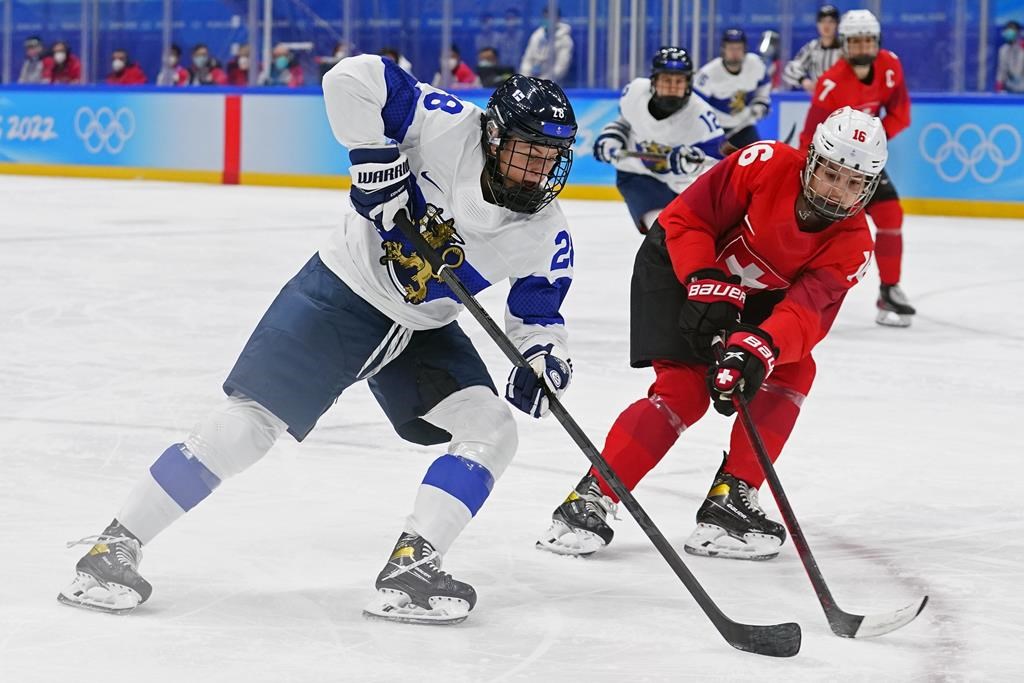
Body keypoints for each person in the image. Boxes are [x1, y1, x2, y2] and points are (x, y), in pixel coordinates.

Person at [57, 55, 579, 626]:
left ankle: (413, 565)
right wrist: (375, 158)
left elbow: (539, 311)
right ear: (494, 134)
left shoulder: (546, 230)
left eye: (551, 159)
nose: (538, 172)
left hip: (423, 329)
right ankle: (115, 546)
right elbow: (349, 78)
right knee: (250, 424)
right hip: (341, 291)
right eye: (528, 153)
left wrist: (541, 358)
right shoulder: (443, 123)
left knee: (493, 429)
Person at [537, 107, 886, 561]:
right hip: (677, 261)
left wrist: (754, 348)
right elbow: (687, 219)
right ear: (811, 160)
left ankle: (731, 499)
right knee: (683, 392)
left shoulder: (854, 241)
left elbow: (805, 315)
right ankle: (590, 499)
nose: (837, 191)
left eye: (853, 183)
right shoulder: (763, 163)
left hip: (751, 297)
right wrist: (705, 279)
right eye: (831, 174)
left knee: (795, 369)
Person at [799, 9, 914, 326]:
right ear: (844, 45)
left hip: (863, 166)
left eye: (868, 41)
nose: (862, 48)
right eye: (855, 42)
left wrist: (873, 142)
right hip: (832, 168)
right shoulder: (829, 85)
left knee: (891, 214)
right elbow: (810, 137)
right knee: (823, 232)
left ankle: (889, 290)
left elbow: (901, 112)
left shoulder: (890, 65)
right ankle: (793, 290)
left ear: (876, 42)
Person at [593, 47, 725, 234]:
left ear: (688, 84)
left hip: (681, 185)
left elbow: (719, 168)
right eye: (666, 80)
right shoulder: (635, 92)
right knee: (662, 232)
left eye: (679, 81)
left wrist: (694, 165)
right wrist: (612, 136)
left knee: (695, 235)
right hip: (636, 174)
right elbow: (625, 122)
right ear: (653, 81)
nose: (672, 86)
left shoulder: (702, 118)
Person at [693, 29, 771, 154]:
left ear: (744, 49)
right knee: (714, 166)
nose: (735, 53)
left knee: (757, 159)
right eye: (731, 48)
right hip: (716, 131)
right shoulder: (708, 74)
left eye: (738, 48)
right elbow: (694, 104)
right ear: (723, 49)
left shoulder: (755, 64)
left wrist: (760, 103)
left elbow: (763, 86)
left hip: (744, 125)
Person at [782, 5, 843, 93]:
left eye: (831, 21)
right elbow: (791, 68)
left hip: (843, 97)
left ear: (837, 24)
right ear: (817, 24)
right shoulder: (812, 48)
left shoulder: (845, 48)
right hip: (819, 99)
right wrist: (803, 81)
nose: (826, 25)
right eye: (822, 21)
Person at [519, 8, 573, 84]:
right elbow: (527, 60)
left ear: (558, 19)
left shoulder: (565, 40)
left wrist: (542, 82)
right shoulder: (536, 36)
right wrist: (524, 80)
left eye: (549, 18)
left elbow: (561, 68)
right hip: (531, 82)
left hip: (553, 84)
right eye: (545, 17)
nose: (547, 20)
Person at [996, 20, 1024, 93]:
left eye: (1012, 31)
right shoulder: (1003, 50)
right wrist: (999, 88)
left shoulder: (1022, 48)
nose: (1009, 34)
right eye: (1007, 31)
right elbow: (1001, 71)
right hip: (1010, 89)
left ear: (1018, 33)